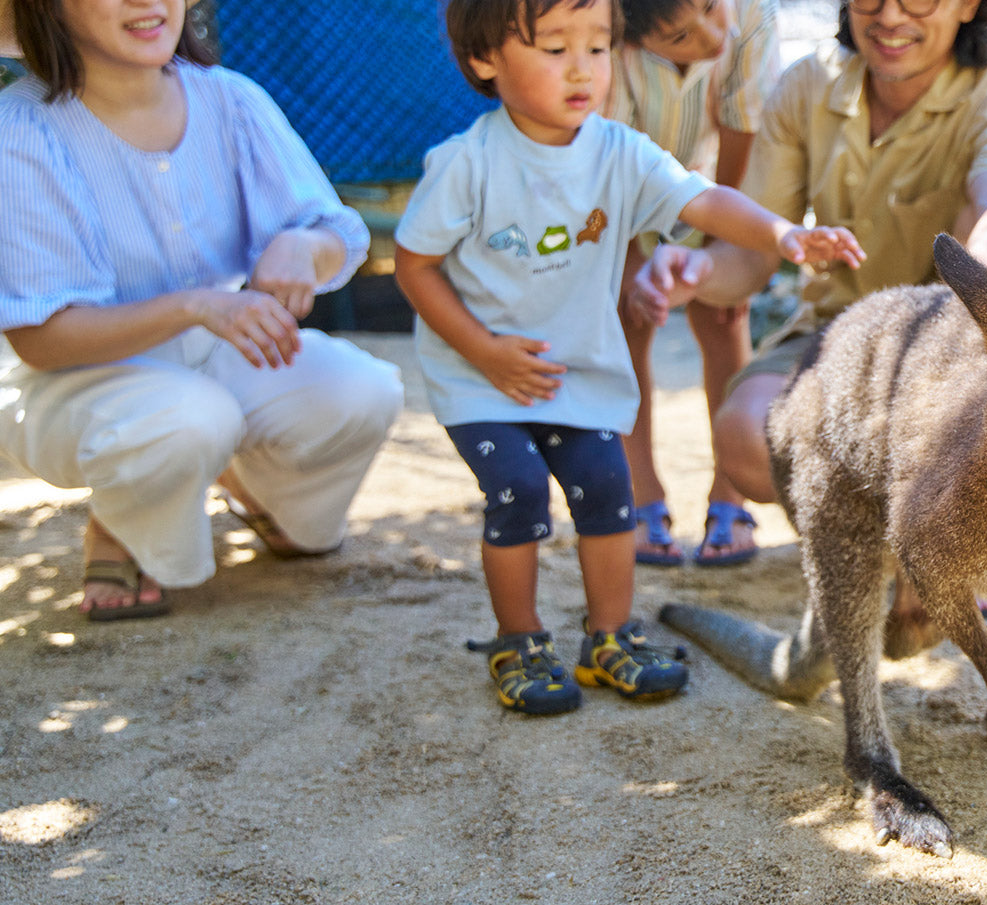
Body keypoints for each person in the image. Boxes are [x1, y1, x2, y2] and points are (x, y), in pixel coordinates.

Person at [393, 0, 863, 716]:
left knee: (606, 486)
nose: (582, 69)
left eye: (597, 48)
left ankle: (609, 636)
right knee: (518, 488)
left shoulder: (619, 151)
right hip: (482, 378)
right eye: (555, 49)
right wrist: (484, 352)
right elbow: (414, 265)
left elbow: (702, 200)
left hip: (576, 374)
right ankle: (518, 639)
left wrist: (782, 235)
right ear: (485, 60)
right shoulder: (468, 164)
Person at [0, 0, 404, 622]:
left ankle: (246, 489)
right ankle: (124, 524)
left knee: (363, 390)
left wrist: (302, 247)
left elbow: (334, 234)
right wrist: (194, 306)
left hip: (215, 354)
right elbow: (43, 341)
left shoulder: (230, 98)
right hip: (74, 384)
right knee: (189, 420)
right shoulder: (21, 129)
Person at [635, 0, 987, 512]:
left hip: (979, 347)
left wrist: (957, 310)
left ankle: (961, 526)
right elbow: (751, 256)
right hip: (846, 334)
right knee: (747, 434)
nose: (890, 16)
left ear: (969, 5)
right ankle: (879, 533)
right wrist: (698, 271)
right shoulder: (808, 83)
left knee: (965, 402)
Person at [602, 0, 775, 567]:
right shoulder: (609, 34)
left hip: (717, 186)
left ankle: (729, 494)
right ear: (634, 38)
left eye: (709, 6)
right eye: (680, 36)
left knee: (723, 316)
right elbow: (610, 152)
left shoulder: (750, 15)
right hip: (620, 189)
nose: (711, 33)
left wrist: (723, 250)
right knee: (628, 315)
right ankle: (640, 492)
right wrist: (630, 260)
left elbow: (742, 129)